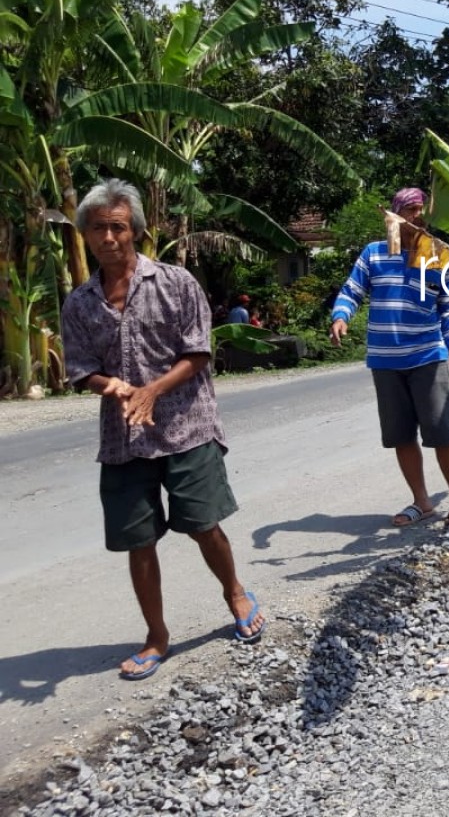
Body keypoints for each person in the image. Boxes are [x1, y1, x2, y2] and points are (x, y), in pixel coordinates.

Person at [61, 179, 266, 681]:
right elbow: (80, 370)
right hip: (124, 438)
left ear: (134, 230)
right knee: (138, 540)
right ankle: (156, 636)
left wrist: (151, 390)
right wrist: (117, 389)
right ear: (85, 235)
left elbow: (198, 352)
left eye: (118, 227)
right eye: (98, 229)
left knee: (202, 524)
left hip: (186, 427)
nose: (109, 237)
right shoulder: (79, 304)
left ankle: (235, 592)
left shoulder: (176, 282)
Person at [329, 188, 449, 527]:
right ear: (394, 216)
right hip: (385, 359)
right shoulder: (374, 254)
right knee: (401, 434)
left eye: (421, 211)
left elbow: (448, 305)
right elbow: (352, 289)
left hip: (427, 354)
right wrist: (341, 316)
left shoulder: (437, 255)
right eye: (409, 210)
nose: (416, 217)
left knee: (440, 430)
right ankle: (421, 502)